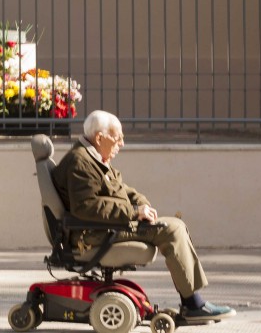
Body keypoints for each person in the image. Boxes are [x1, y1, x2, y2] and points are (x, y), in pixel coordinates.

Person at [52, 110, 236, 324]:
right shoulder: (81, 162)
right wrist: (134, 212)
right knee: (171, 229)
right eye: (117, 137)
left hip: (103, 227)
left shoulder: (92, 156)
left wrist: (141, 203)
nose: (121, 143)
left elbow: (120, 189)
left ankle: (193, 302)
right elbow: (86, 207)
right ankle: (193, 305)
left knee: (175, 225)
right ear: (100, 137)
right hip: (92, 234)